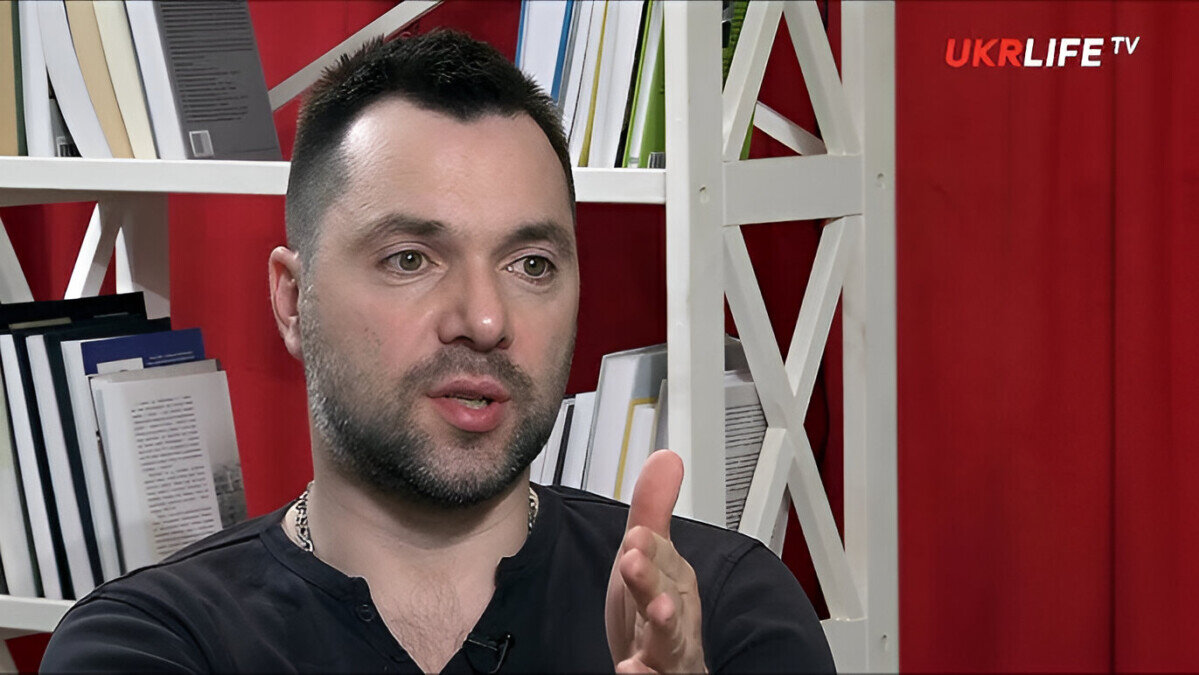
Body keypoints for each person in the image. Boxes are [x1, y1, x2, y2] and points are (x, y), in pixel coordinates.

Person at [41, 31, 835, 673]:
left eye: (531, 265)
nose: (484, 320)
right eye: (410, 259)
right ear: (292, 300)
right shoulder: (150, 642)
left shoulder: (724, 613)